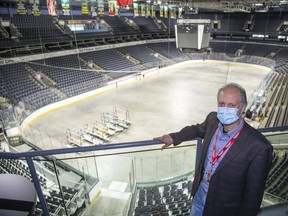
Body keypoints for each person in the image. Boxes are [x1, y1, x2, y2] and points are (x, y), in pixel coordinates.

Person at [154, 83, 273, 216]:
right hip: (199, 197)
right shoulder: (213, 120)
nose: (225, 109)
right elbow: (197, 129)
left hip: (223, 209)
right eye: (221, 104)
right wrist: (173, 137)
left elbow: (252, 198)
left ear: (243, 107)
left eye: (231, 105)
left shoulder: (259, 147)